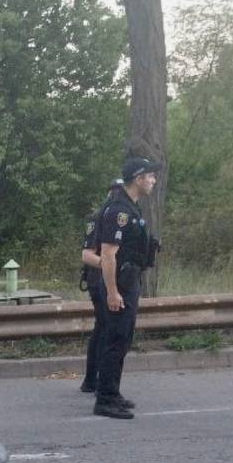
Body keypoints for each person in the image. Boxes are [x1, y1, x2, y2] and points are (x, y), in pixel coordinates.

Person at [93, 156, 162, 419]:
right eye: (150, 176)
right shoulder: (119, 211)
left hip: (128, 281)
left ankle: (113, 391)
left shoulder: (131, 208)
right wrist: (112, 292)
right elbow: (108, 255)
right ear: (138, 178)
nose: (154, 181)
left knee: (123, 338)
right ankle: (105, 399)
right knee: (116, 339)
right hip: (119, 283)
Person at [79, 179, 125, 394]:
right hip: (99, 280)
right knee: (106, 329)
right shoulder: (98, 218)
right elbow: (87, 254)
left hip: (114, 280)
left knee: (103, 328)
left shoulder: (125, 218)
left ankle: (92, 380)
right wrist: (106, 265)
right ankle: (95, 381)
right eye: (115, 191)